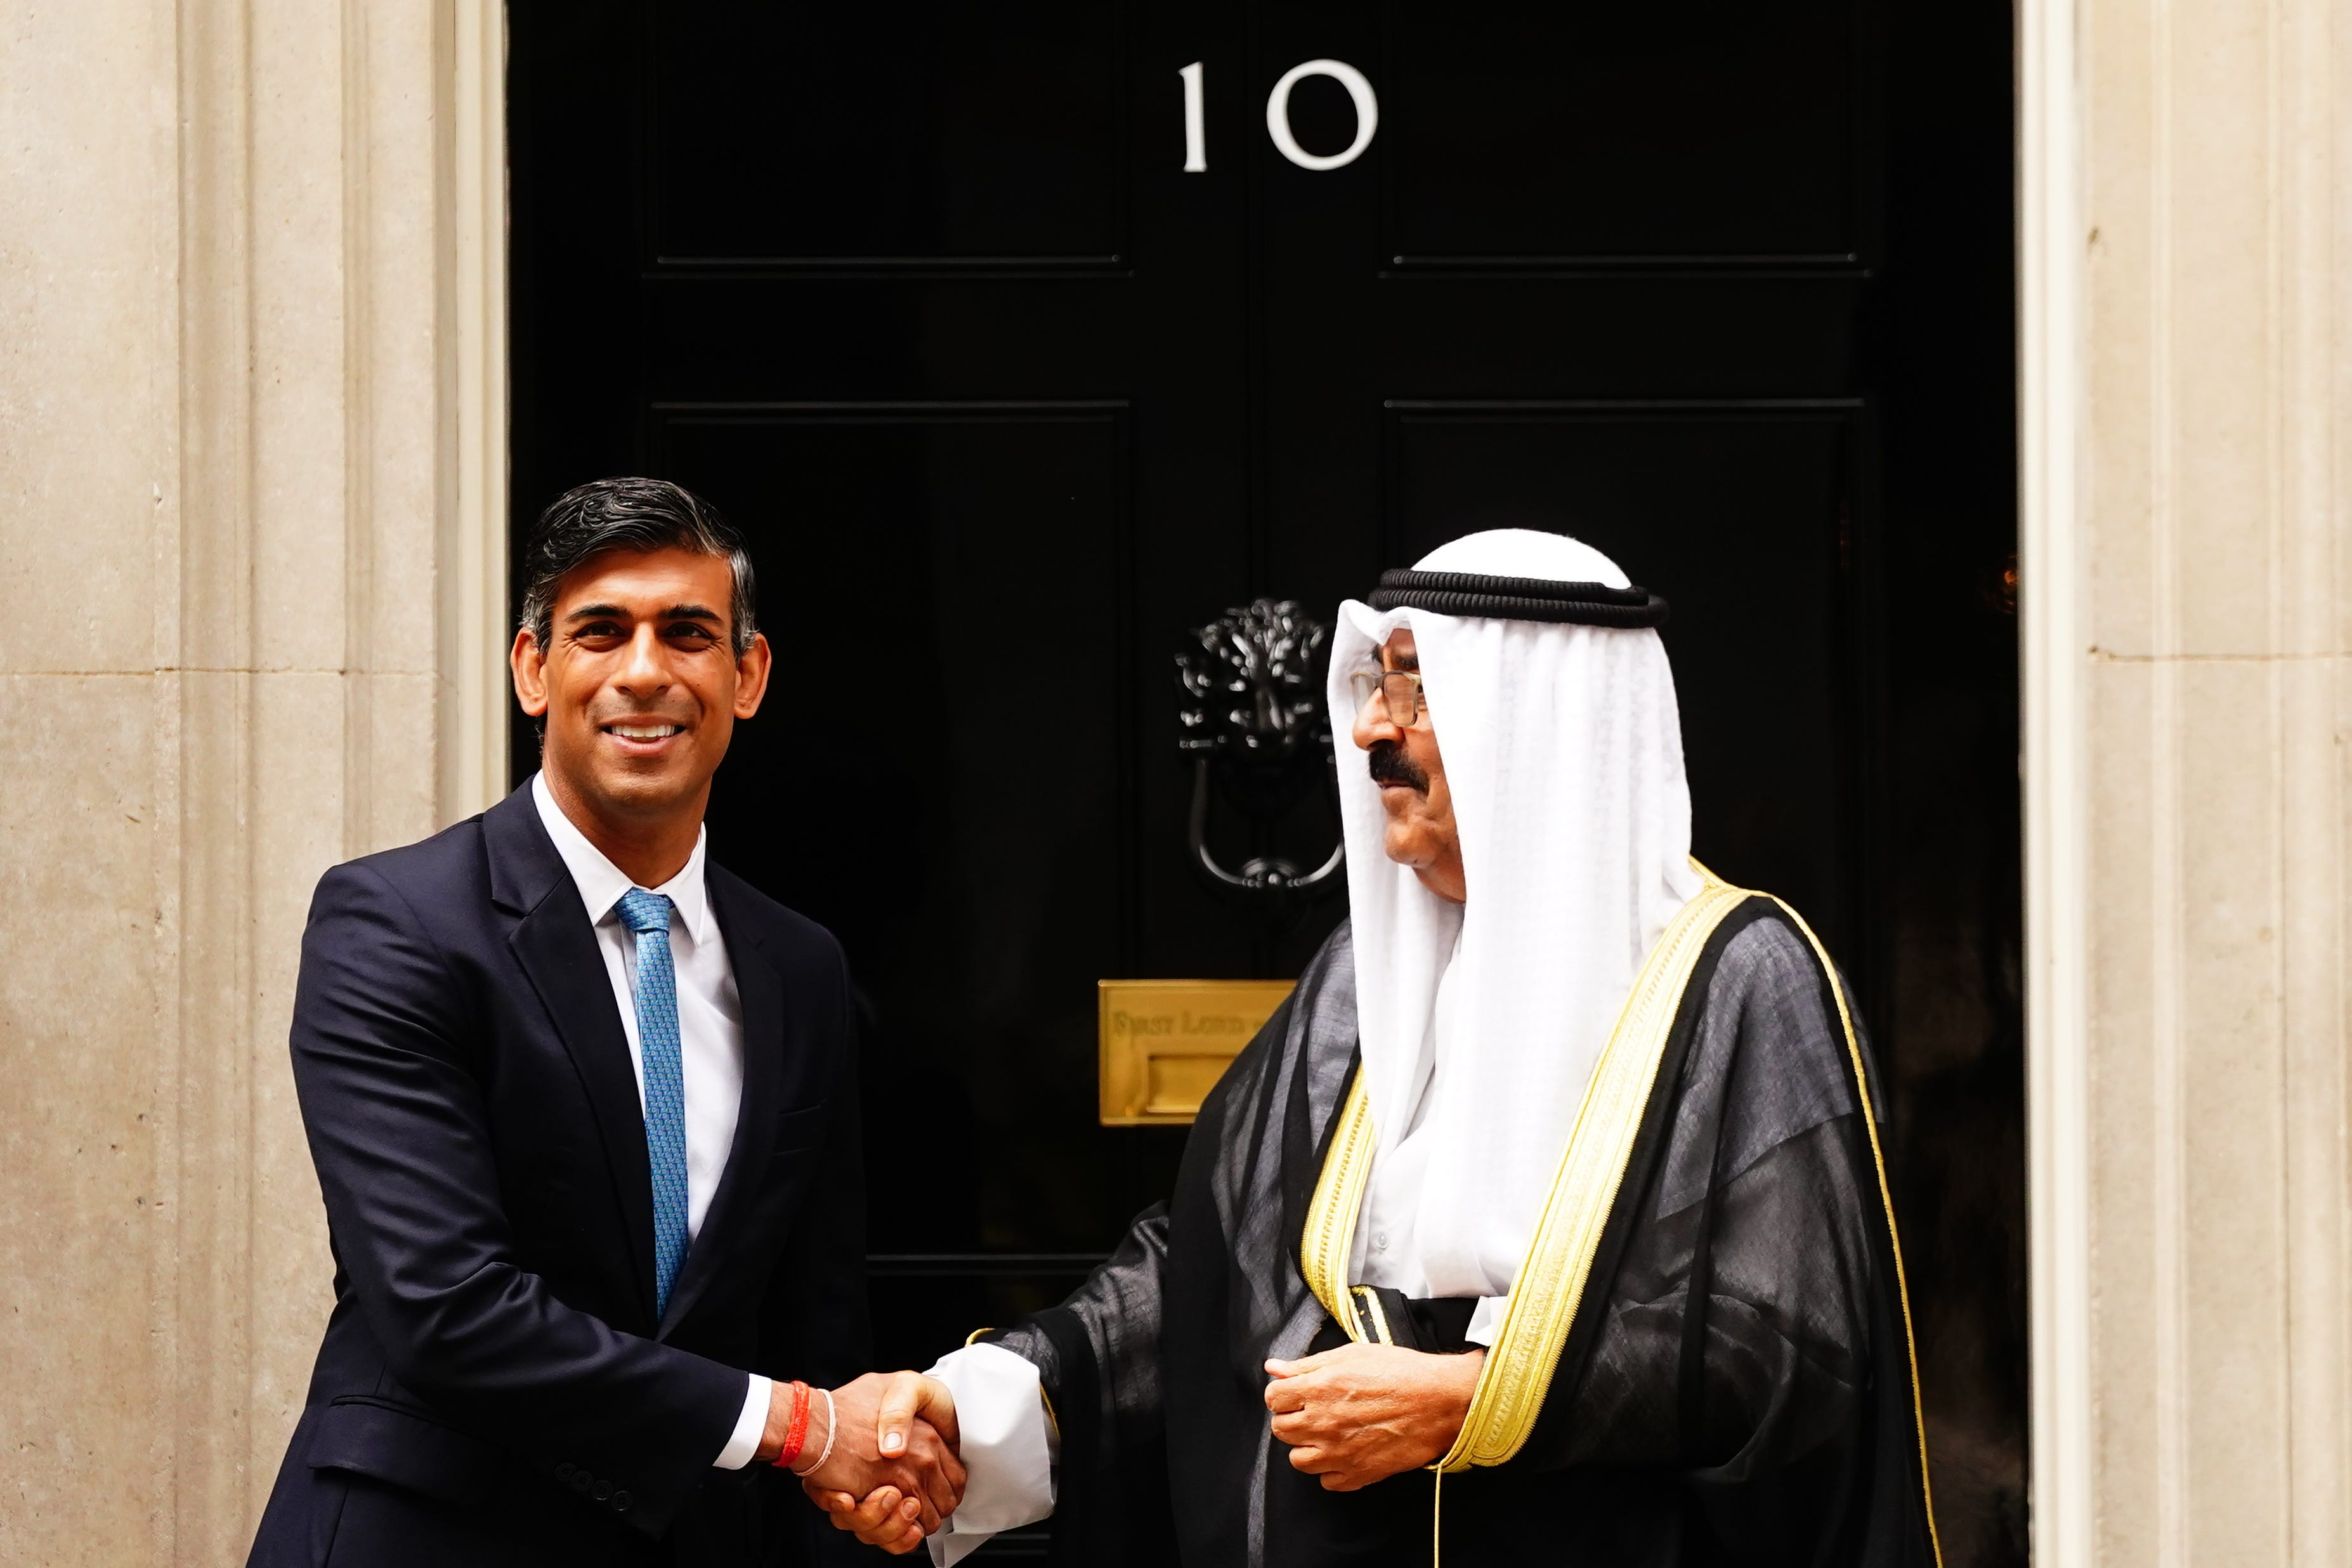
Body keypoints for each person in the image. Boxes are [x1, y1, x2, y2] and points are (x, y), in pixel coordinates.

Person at [816, 528, 1942, 1566]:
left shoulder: (1736, 975)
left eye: (1417, 686)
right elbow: (1213, 1263)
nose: (1370, 729)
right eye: (1379, 682)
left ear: (1536, 725)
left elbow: (1791, 1352)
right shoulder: (1367, 976)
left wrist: (1474, 1400)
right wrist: (997, 1394)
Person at [249, 478, 962, 1567]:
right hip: (432, 1538)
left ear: (748, 676)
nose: (644, 671)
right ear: (535, 672)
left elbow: (817, 1326)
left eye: (687, 633)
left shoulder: (800, 967)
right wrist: (805, 1431)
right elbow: (448, 1306)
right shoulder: (391, 923)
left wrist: (864, 1488)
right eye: (599, 632)